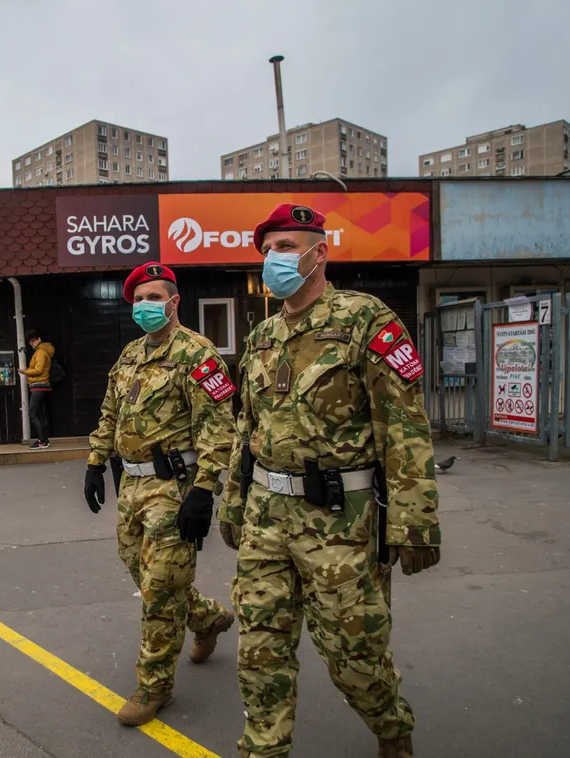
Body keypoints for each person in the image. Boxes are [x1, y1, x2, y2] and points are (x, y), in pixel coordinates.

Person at [220, 204, 442, 758]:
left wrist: (415, 521)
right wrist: (232, 501)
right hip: (266, 515)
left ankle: (390, 725)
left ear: (320, 252)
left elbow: (405, 426)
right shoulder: (262, 336)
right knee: (259, 646)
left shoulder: (366, 320)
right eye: (267, 249)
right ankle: (263, 747)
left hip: (340, 519)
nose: (274, 259)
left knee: (354, 652)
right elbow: (246, 428)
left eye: (286, 247)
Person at [83, 262, 238, 727]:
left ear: (174, 302)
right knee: (144, 572)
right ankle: (207, 618)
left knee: (160, 591)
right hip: (132, 485)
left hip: (174, 487)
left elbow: (219, 428)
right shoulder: (130, 353)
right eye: (139, 299)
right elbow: (110, 411)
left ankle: (154, 687)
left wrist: (205, 490)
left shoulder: (197, 353)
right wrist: (95, 462)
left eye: (154, 297)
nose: (145, 305)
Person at [19, 330, 54, 449]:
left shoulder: (40, 352)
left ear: (39, 339)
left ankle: (42, 441)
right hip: (43, 385)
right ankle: (44, 440)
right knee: (42, 414)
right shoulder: (44, 351)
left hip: (38, 385)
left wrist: (24, 371)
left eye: (33, 341)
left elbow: (38, 370)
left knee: (32, 414)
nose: (31, 344)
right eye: (30, 342)